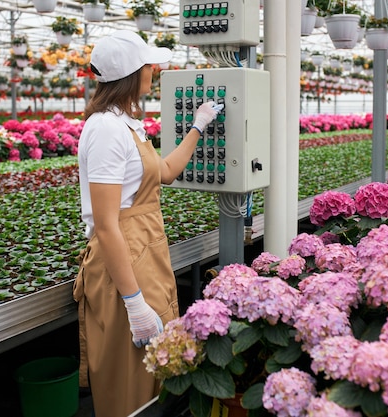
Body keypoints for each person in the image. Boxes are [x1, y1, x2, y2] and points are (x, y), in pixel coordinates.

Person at [73, 30, 222, 417]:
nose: (154, 70)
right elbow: (106, 225)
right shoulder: (106, 129)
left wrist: (199, 126)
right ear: (132, 73)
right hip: (123, 265)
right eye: (148, 65)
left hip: (146, 254)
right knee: (132, 385)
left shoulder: (127, 124)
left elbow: (168, 171)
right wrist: (134, 303)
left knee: (159, 376)